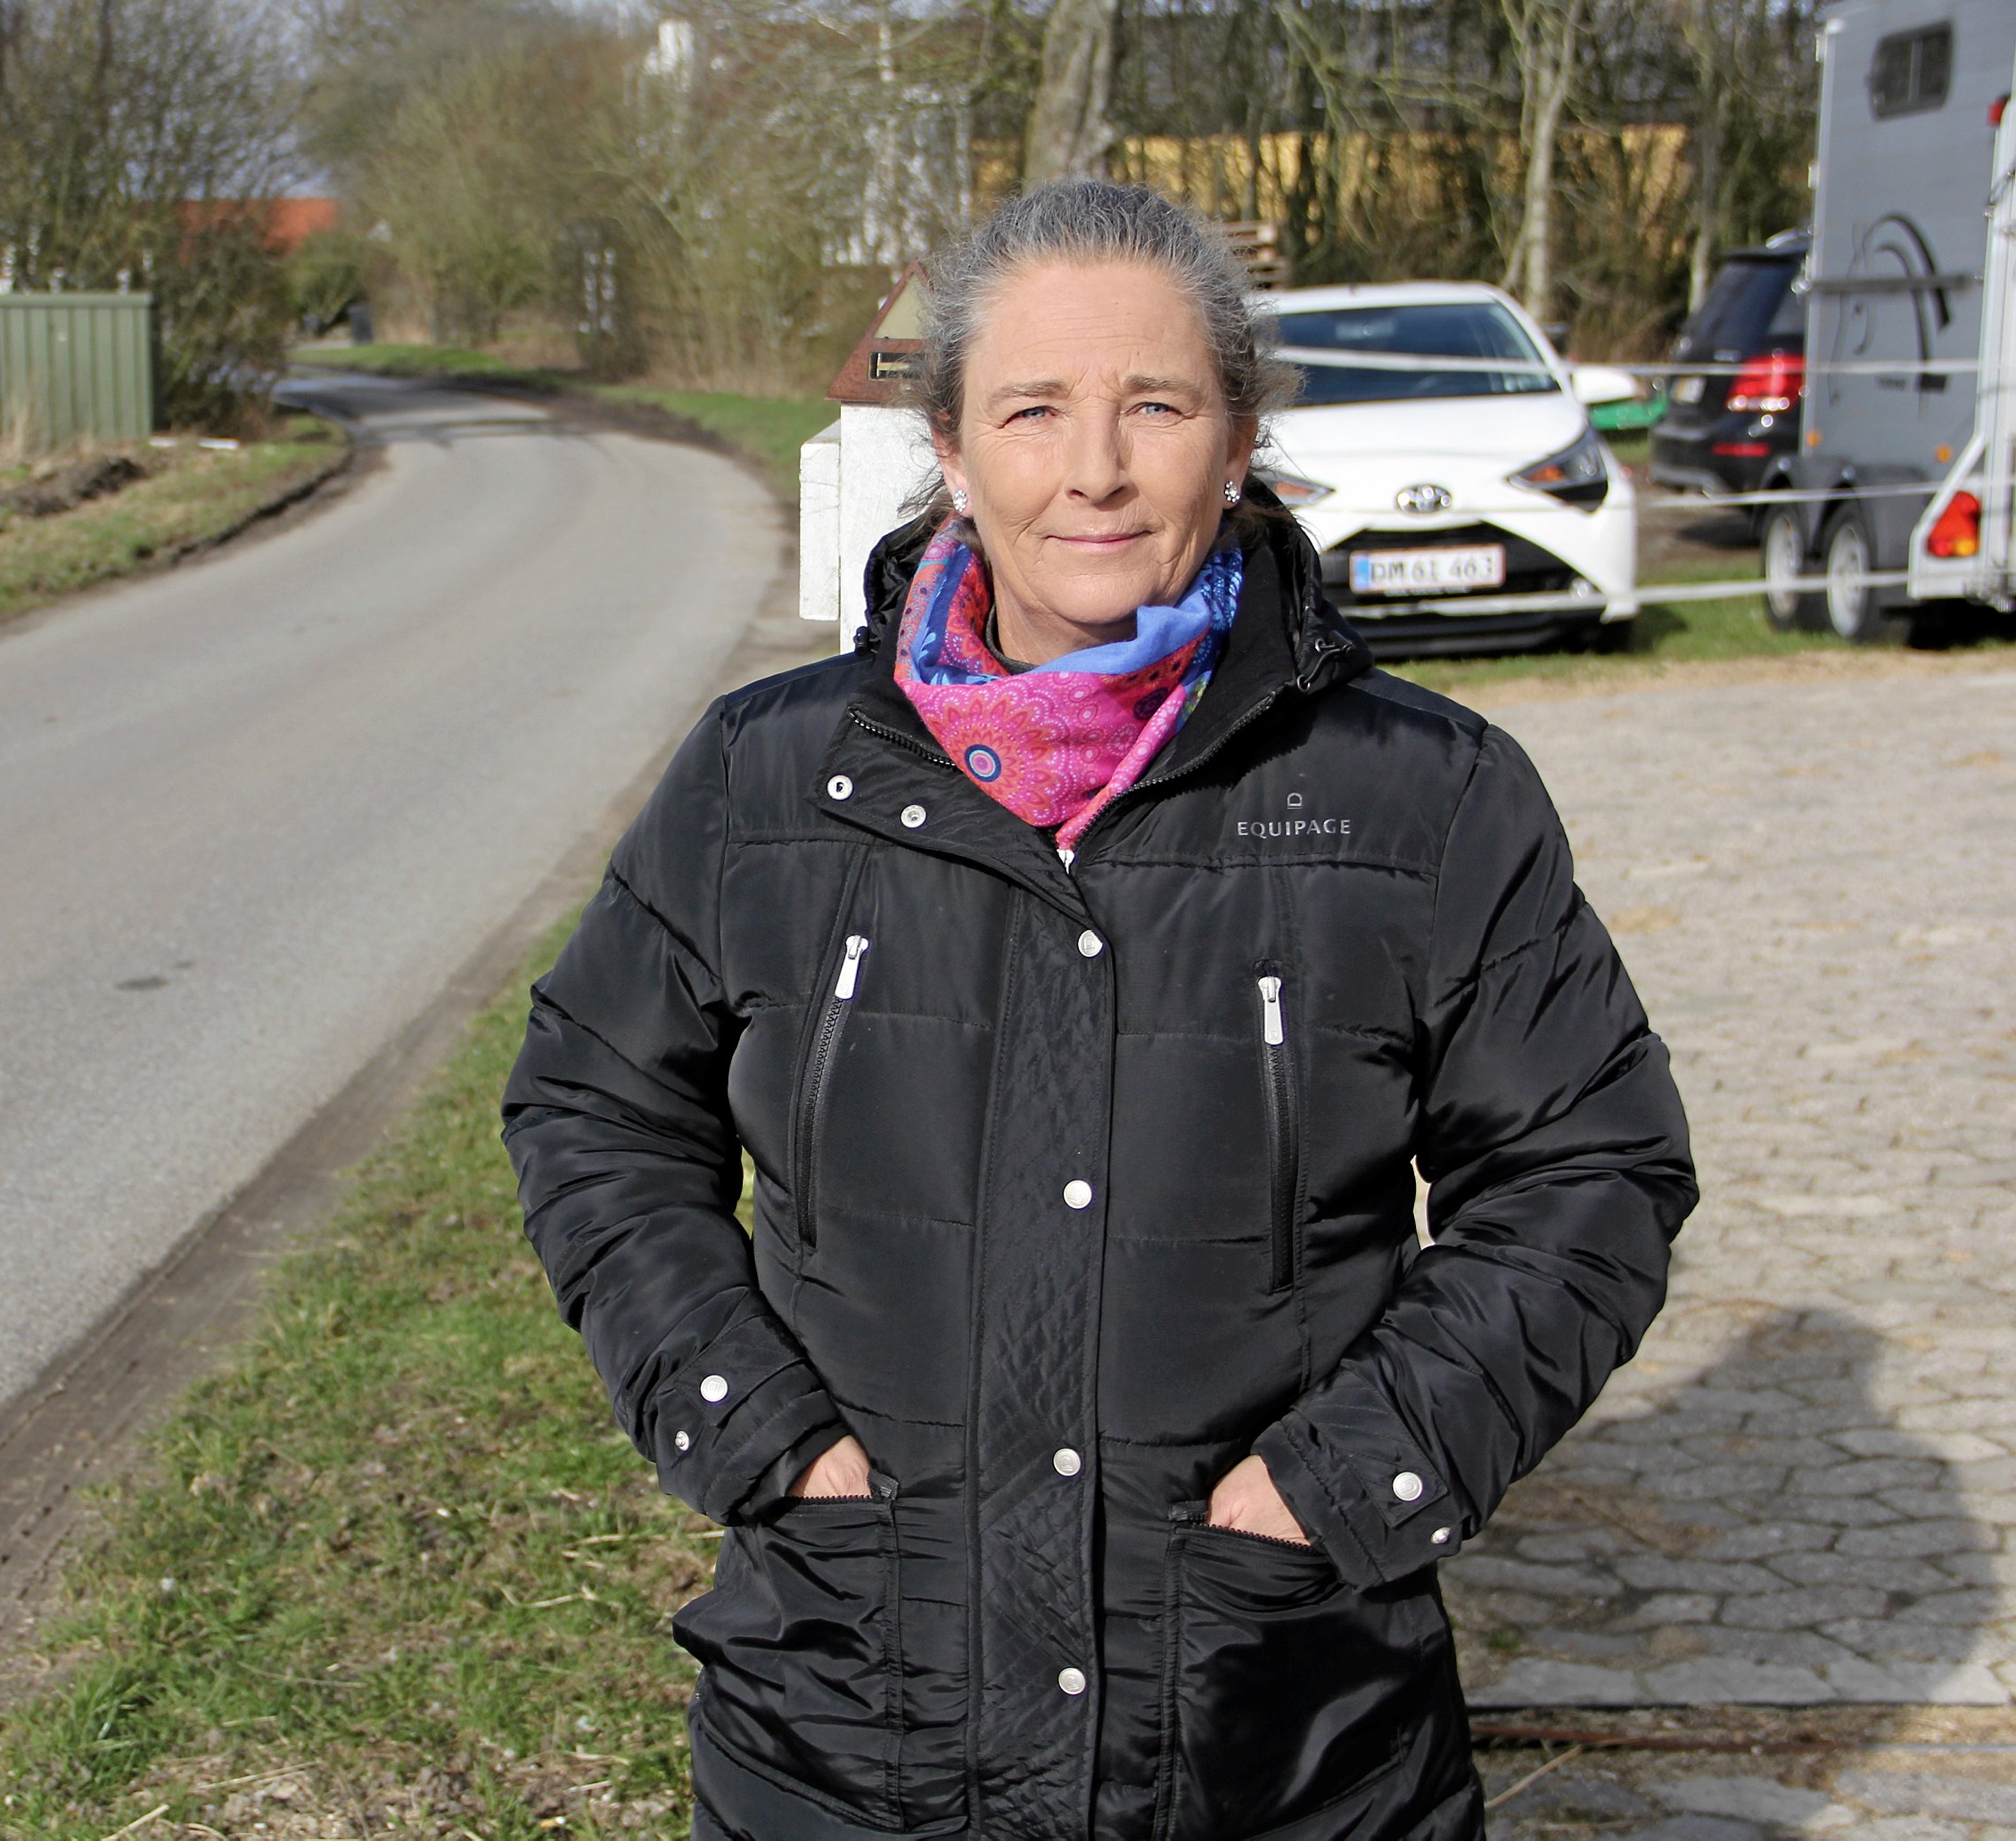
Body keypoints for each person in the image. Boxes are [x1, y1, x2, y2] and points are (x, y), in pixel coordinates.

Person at [502, 180, 1694, 1841]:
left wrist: (1334, 1490)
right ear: (952, 443)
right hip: (850, 1728)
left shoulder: (1422, 799)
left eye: (1157, 404)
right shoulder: (765, 780)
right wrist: (757, 1433)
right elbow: (594, 1108)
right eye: (1034, 409)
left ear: (1241, 433)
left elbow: (1590, 1172)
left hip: (1282, 1738)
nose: (1096, 470)